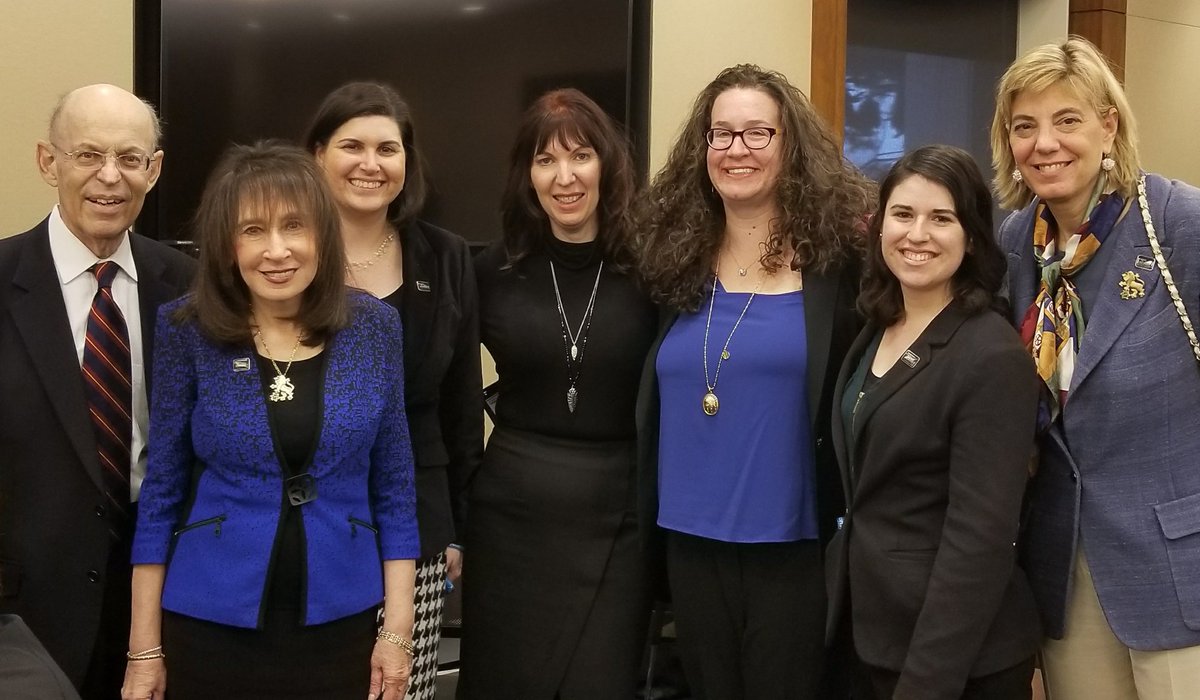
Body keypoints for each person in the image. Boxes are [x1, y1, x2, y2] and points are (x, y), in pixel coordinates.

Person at [121, 142, 419, 700]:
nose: (276, 250)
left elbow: (396, 489)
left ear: (321, 236)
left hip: (341, 621)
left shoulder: (375, 328)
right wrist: (144, 650)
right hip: (209, 623)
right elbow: (161, 492)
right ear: (225, 244)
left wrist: (398, 633)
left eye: (293, 227)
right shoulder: (187, 330)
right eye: (252, 229)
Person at [635, 64, 875, 699]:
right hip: (687, 540)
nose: (736, 149)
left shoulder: (839, 268)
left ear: (790, 146)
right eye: (721, 134)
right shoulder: (670, 258)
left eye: (757, 133)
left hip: (794, 544)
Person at [990, 36, 1200, 700]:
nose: (1045, 142)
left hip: (1181, 565)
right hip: (1065, 573)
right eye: (1025, 126)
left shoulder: (1177, 225)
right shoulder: (1014, 247)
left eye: (1067, 120)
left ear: (1109, 124)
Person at [458, 88, 656, 700]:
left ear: (608, 166)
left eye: (581, 156)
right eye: (546, 161)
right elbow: (446, 395)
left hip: (619, 515)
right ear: (527, 175)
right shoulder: (490, 271)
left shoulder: (654, 269)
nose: (564, 177)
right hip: (510, 521)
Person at [0, 83, 196, 698]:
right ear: (47, 161)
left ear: (154, 170)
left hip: (164, 602)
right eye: (87, 155)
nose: (109, 178)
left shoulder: (192, 288)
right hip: (23, 615)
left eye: (130, 158)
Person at [828, 145, 1041, 699]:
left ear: (971, 237)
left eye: (940, 218)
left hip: (950, 659)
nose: (916, 234)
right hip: (871, 634)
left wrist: (928, 681)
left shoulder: (989, 356)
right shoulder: (877, 328)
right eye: (902, 215)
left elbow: (980, 539)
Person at [305, 81, 483, 699]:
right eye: (352, 146)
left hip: (421, 514)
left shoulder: (445, 256)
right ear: (317, 155)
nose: (370, 164)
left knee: (401, 687)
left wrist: (458, 524)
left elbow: (462, 400)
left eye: (389, 148)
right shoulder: (284, 253)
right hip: (309, 512)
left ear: (407, 163)